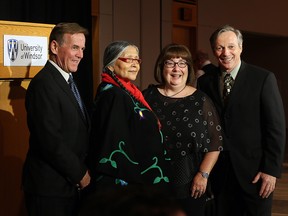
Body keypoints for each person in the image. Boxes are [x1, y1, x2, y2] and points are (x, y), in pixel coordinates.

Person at [197, 24, 286, 216]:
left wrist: (270, 170)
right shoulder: (205, 82)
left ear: (240, 48)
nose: (225, 52)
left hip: (256, 175)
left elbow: (276, 128)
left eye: (231, 46)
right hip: (219, 174)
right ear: (213, 50)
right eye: (220, 47)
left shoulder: (262, 78)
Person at [143, 43, 223, 216]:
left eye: (182, 63)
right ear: (161, 66)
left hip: (190, 184)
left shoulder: (201, 100)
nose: (176, 68)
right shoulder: (146, 97)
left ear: (188, 68)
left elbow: (215, 144)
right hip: (151, 182)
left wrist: (203, 175)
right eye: (170, 63)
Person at [85, 41, 170, 198]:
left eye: (137, 60)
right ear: (111, 65)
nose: (135, 65)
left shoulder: (129, 92)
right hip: (129, 185)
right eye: (128, 59)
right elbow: (114, 144)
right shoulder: (114, 94)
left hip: (144, 177)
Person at [22, 22, 91, 216]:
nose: (81, 55)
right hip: (49, 190)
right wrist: (80, 174)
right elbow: (49, 140)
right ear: (54, 47)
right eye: (75, 47)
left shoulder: (66, 80)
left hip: (66, 188)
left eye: (82, 49)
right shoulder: (44, 83)